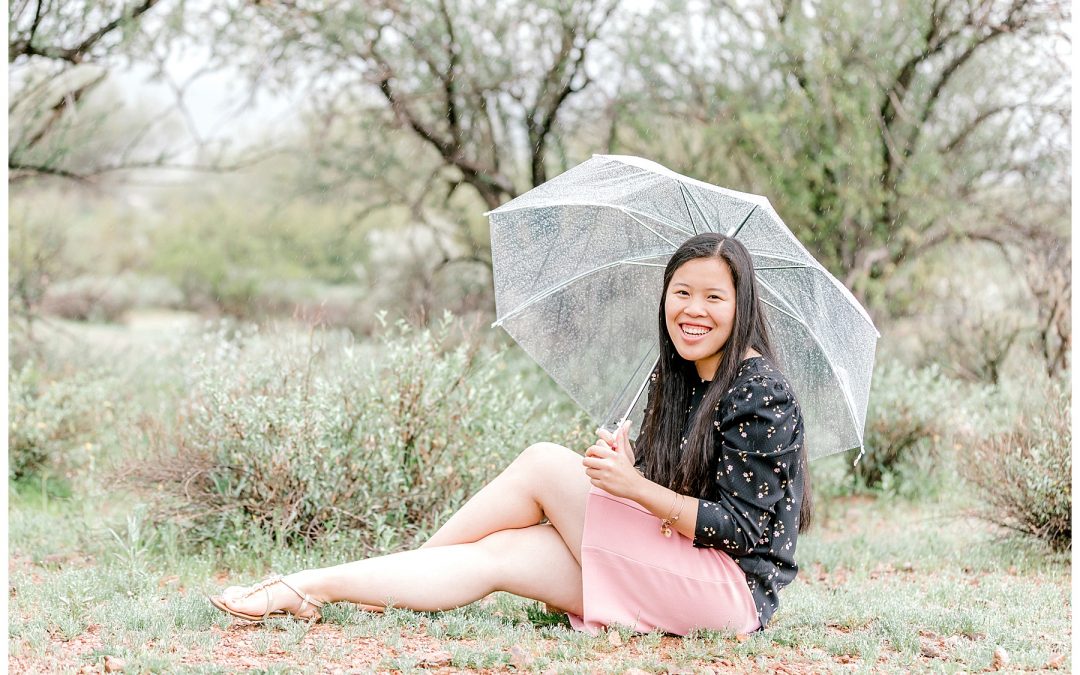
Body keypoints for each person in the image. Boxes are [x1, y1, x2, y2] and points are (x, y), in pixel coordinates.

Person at [210, 232, 811, 636]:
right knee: (497, 557)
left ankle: (396, 568)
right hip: (677, 565)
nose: (692, 309)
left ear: (742, 306)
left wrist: (632, 488)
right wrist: (637, 468)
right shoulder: (682, 382)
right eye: (681, 292)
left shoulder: (760, 392)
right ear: (663, 299)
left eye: (713, 296)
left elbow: (742, 529)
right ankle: (311, 588)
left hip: (729, 593)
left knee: (546, 464)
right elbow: (679, 493)